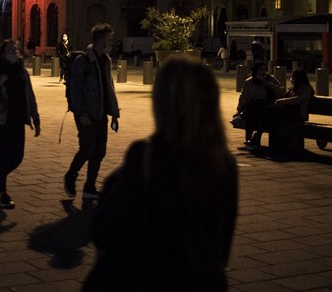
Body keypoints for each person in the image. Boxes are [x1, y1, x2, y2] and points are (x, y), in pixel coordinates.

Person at [84, 57, 238, 290]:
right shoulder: (224, 164)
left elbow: (104, 230)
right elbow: (222, 244)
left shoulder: (147, 157)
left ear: (164, 104)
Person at [0, 39, 41, 209]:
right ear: (3, 53)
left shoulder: (22, 73)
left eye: (16, 49)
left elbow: (31, 97)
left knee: (17, 157)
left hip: (17, 120)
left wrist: (36, 118)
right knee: (4, 155)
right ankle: (3, 193)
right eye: (10, 49)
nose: (15, 51)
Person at [64, 23, 120, 201]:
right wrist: (81, 114)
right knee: (87, 149)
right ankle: (71, 175)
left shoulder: (106, 60)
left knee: (99, 152)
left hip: (101, 113)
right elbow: (76, 90)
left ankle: (89, 187)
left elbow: (109, 87)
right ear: (101, 41)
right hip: (86, 114)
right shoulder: (84, 61)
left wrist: (114, 114)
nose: (112, 43)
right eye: (109, 39)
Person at [250, 69, 314, 151]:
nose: (291, 79)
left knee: (269, 113)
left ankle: (257, 137)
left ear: (298, 78)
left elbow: (298, 99)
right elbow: (284, 96)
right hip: (288, 114)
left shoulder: (306, 89)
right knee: (270, 115)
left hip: (297, 116)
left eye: (293, 77)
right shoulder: (294, 88)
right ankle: (264, 141)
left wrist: (280, 101)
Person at [234, 62, 285, 151]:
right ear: (255, 71)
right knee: (251, 111)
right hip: (254, 110)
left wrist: (269, 84)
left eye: (264, 69)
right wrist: (238, 110)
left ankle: (243, 120)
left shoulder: (270, 79)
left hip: (268, 108)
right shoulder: (249, 82)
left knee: (257, 104)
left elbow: (282, 91)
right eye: (260, 69)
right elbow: (243, 97)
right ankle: (251, 142)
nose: (263, 72)